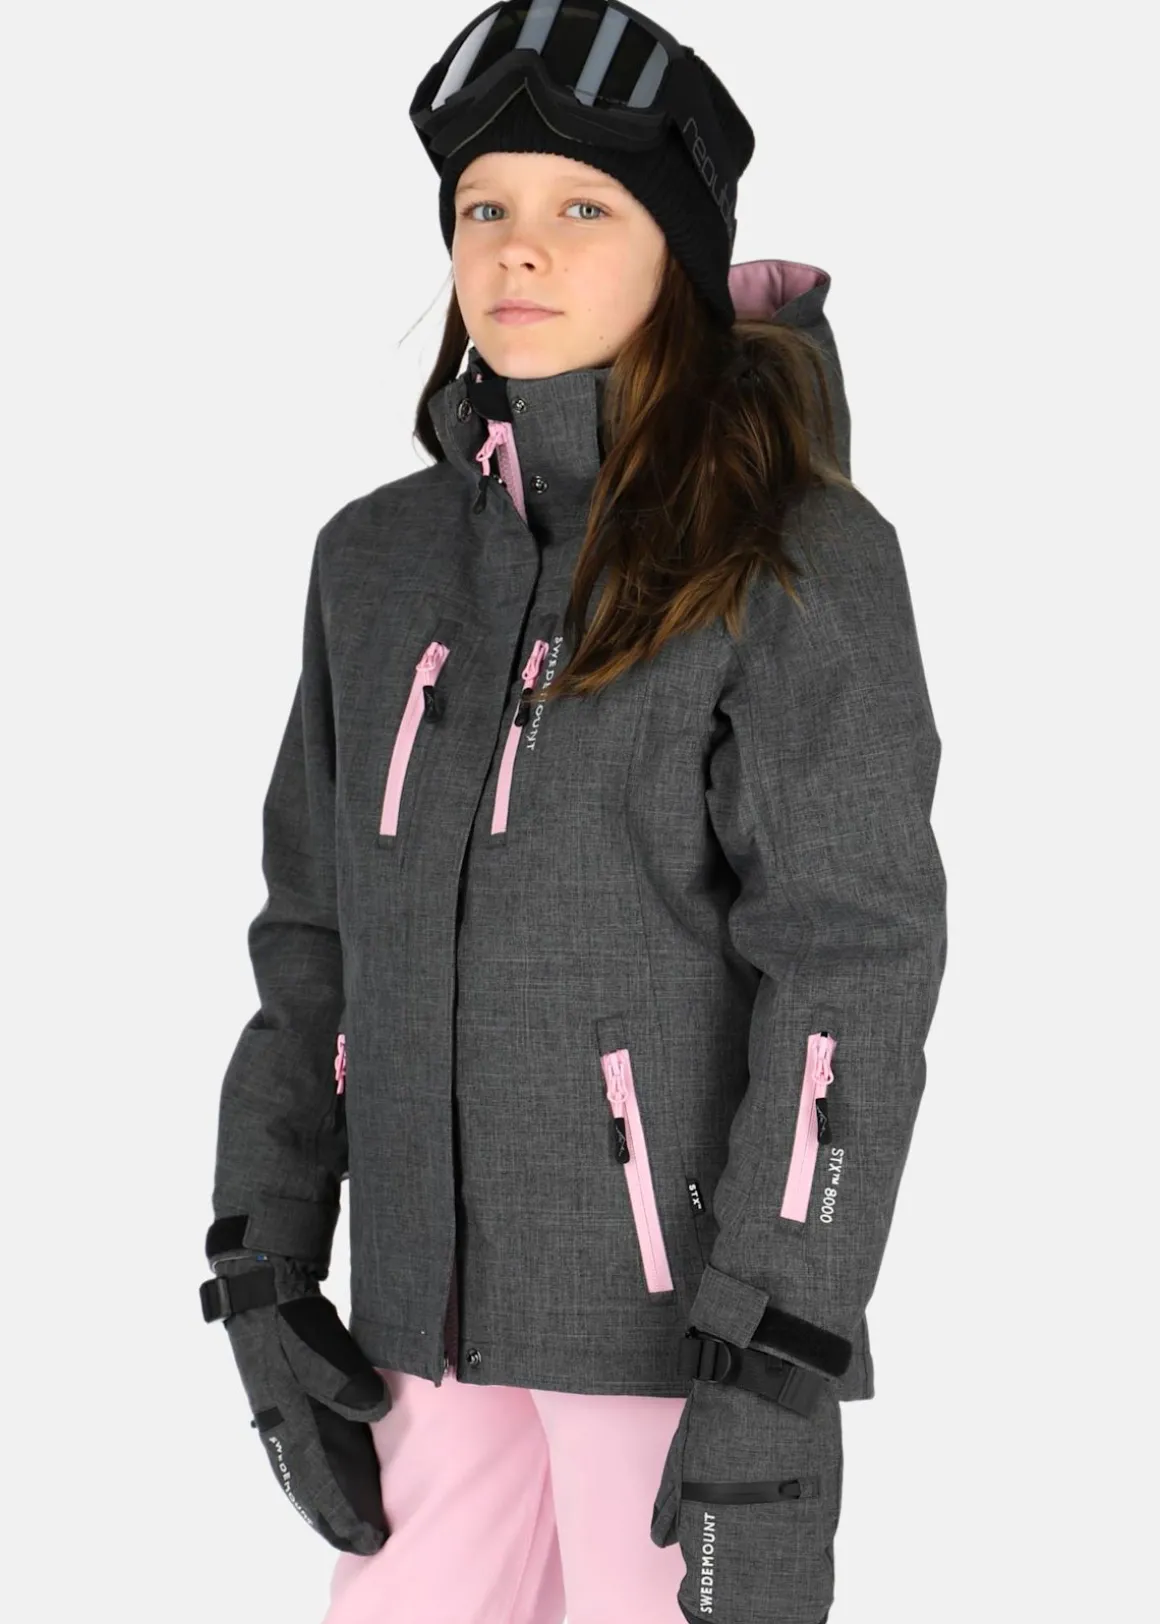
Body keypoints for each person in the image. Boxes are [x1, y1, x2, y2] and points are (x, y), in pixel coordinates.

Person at [199, 4, 948, 1621]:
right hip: (421, 1333)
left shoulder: (788, 560)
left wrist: (779, 1347)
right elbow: (313, 932)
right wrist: (263, 1251)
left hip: (671, 1344)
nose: (517, 248)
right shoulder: (377, 563)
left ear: (679, 254)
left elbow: (853, 969)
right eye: (485, 206)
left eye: (581, 207)